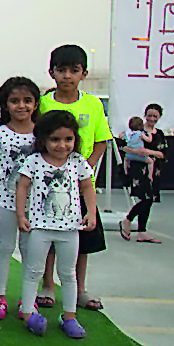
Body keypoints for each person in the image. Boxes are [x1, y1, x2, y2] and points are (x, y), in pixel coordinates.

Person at [37, 45, 111, 312]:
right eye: (61, 70)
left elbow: (102, 141)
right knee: (49, 236)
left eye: (74, 70)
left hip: (80, 185)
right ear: (52, 72)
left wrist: (86, 169)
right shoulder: (44, 104)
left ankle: (79, 289)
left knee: (82, 238)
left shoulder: (93, 104)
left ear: (84, 73)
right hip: (48, 183)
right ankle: (47, 284)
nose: (67, 76)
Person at [17, 110, 96, 339]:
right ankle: (28, 313)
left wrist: (91, 212)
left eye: (68, 139)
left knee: (68, 273)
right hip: (39, 228)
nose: (62, 145)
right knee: (34, 271)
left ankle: (69, 317)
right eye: (55, 139)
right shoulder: (33, 161)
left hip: (70, 229)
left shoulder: (77, 162)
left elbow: (87, 187)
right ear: (43, 139)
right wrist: (21, 215)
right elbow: (22, 187)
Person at [0, 76, 40, 319]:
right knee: (5, 247)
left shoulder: (42, 136)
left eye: (27, 101)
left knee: (30, 251)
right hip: (5, 202)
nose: (21, 106)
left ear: (36, 104)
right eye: (14, 101)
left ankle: (29, 301)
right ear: (5, 105)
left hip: (34, 205)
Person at [120, 104, 168, 243]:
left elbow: (163, 153)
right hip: (139, 171)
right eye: (150, 115)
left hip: (153, 171)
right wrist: (136, 152)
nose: (152, 119)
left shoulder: (159, 134)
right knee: (146, 198)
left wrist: (149, 152)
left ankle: (142, 230)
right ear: (145, 115)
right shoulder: (136, 132)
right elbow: (123, 147)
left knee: (149, 200)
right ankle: (128, 220)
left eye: (155, 116)